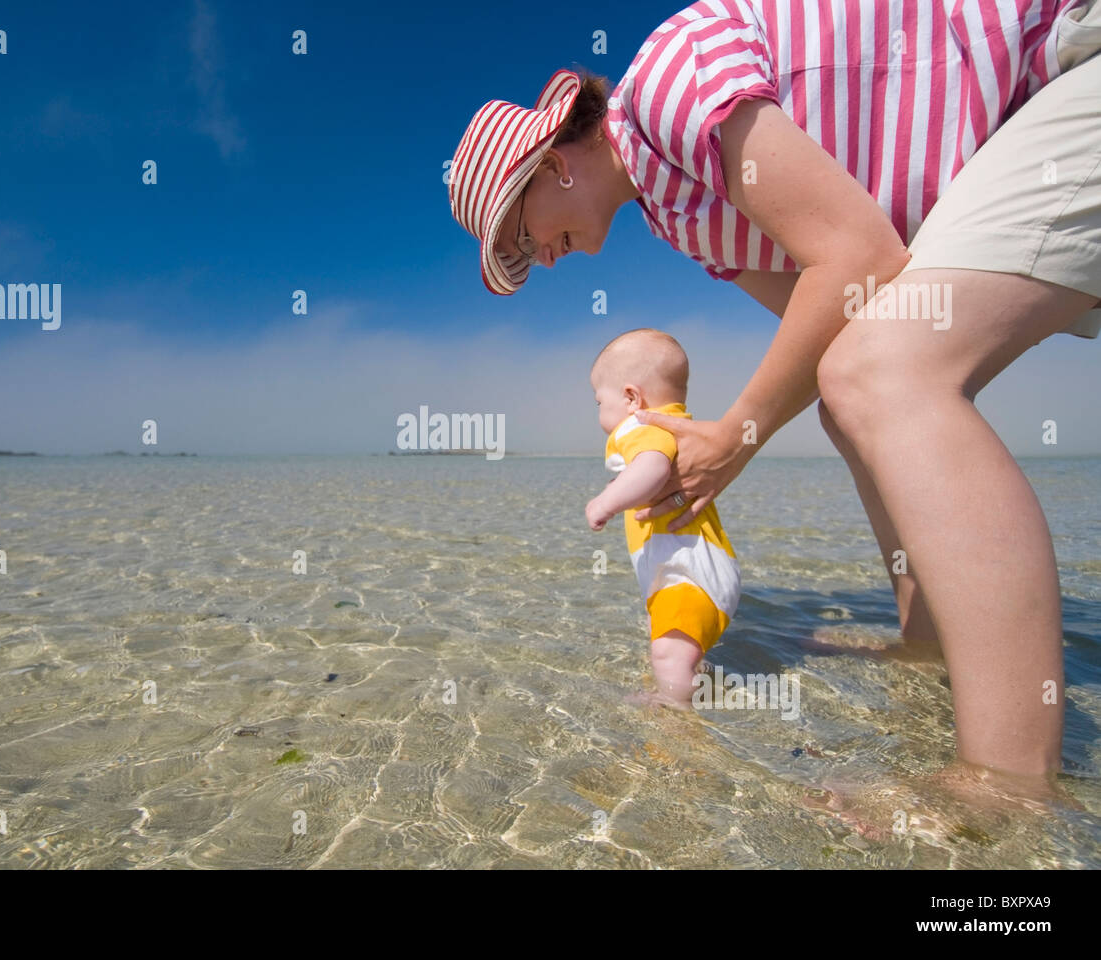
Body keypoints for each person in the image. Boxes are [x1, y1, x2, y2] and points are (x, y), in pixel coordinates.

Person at [448, 0, 1101, 794]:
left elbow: (860, 257)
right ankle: (930, 645)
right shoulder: (674, 217)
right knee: (850, 389)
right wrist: (725, 437)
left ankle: (1006, 785)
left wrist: (731, 438)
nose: (538, 263)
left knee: (881, 373)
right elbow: (828, 324)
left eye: (519, 237)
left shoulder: (661, 87)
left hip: (1062, 66)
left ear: (551, 164)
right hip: (1026, 128)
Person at [585, 329, 741, 705]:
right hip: (697, 571)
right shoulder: (672, 425)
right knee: (676, 646)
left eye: (598, 401)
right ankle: (697, 682)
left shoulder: (641, 426)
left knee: (667, 657)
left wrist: (606, 501)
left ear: (630, 397)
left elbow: (653, 468)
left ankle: (676, 709)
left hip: (686, 574)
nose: (599, 412)